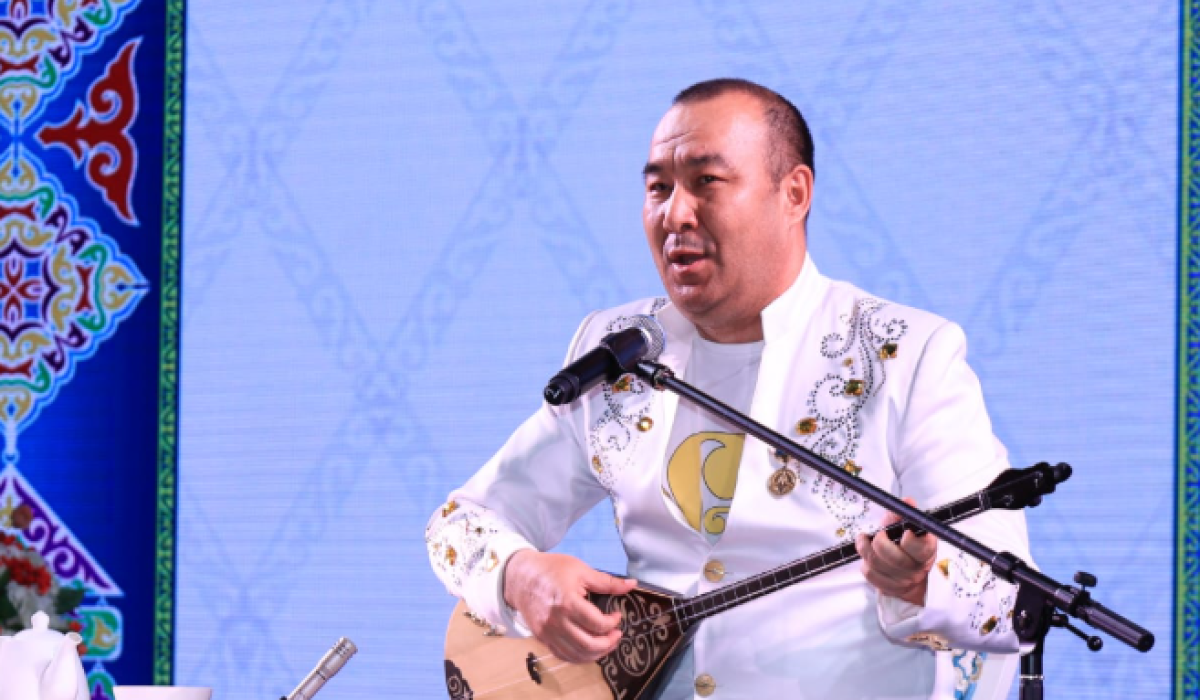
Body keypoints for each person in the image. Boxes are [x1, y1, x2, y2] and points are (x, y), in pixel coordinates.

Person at [427, 78, 1031, 699]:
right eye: (658, 188)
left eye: (706, 181)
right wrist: (521, 576)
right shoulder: (619, 352)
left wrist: (918, 582)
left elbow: (1011, 599)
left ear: (793, 194)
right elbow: (457, 524)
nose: (674, 214)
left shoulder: (901, 353)